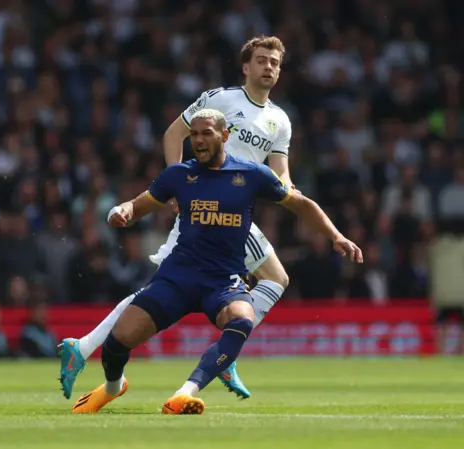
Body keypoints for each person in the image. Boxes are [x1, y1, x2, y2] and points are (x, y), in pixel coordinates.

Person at [71, 109, 362, 414]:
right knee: (118, 342)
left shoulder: (251, 175)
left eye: (206, 133)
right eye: (194, 134)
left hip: (222, 281)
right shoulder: (179, 175)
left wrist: (335, 236)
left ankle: (184, 394)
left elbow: (301, 204)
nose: (198, 140)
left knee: (242, 319)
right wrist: (124, 212)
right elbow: (138, 204)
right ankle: (112, 388)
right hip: (177, 279)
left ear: (224, 136)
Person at [59, 36, 293, 400]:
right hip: (205, 208)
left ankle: (87, 346)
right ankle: (225, 352)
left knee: (272, 278)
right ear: (245, 67)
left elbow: (282, 176)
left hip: (236, 211)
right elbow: (174, 132)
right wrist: (182, 185)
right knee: (263, 279)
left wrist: (294, 197)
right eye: (261, 60)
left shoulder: (279, 120)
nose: (268, 67)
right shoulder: (221, 99)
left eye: (274, 62)